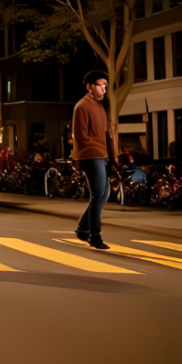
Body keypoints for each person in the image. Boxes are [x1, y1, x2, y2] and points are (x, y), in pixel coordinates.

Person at [72, 70, 117, 249]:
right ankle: (94, 235)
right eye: (101, 85)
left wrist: (113, 158)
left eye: (106, 86)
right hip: (90, 155)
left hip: (101, 155)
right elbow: (81, 136)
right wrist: (100, 151)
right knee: (99, 194)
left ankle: (83, 228)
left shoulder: (101, 107)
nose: (105, 89)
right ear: (90, 86)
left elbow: (106, 135)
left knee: (103, 194)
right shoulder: (81, 106)